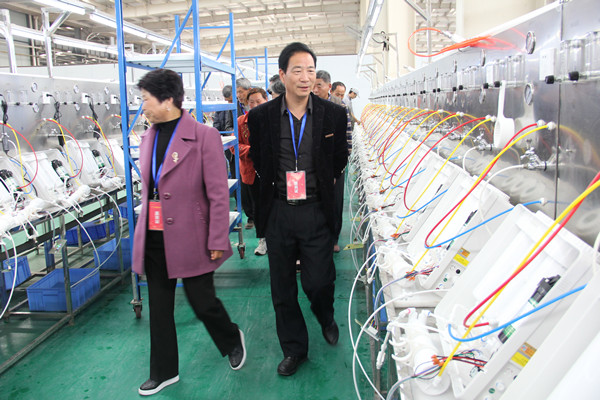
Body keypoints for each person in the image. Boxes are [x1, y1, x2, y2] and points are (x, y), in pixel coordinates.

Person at [132, 69, 246, 396]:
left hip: (192, 233)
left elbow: (218, 193)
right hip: (154, 235)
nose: (143, 106)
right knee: (159, 307)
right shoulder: (148, 138)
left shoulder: (203, 136)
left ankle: (231, 338)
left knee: (202, 301)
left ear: (167, 99)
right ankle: (164, 372)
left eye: (146, 99)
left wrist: (217, 237)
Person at [248, 42, 348, 376]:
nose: (305, 78)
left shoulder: (333, 113)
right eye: (297, 70)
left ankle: (325, 315)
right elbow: (259, 158)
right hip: (278, 210)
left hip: (316, 209)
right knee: (282, 288)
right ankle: (294, 349)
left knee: (319, 281)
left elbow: (340, 158)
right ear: (283, 75)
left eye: (310, 70)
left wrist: (323, 184)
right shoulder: (261, 117)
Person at [237, 88, 269, 255]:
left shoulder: (274, 120)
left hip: (271, 170)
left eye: (259, 101)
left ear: (266, 101)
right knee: (258, 207)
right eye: (251, 102)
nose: (255, 105)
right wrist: (252, 150)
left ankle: (277, 238)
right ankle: (263, 240)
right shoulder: (241, 122)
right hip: (251, 171)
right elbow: (235, 146)